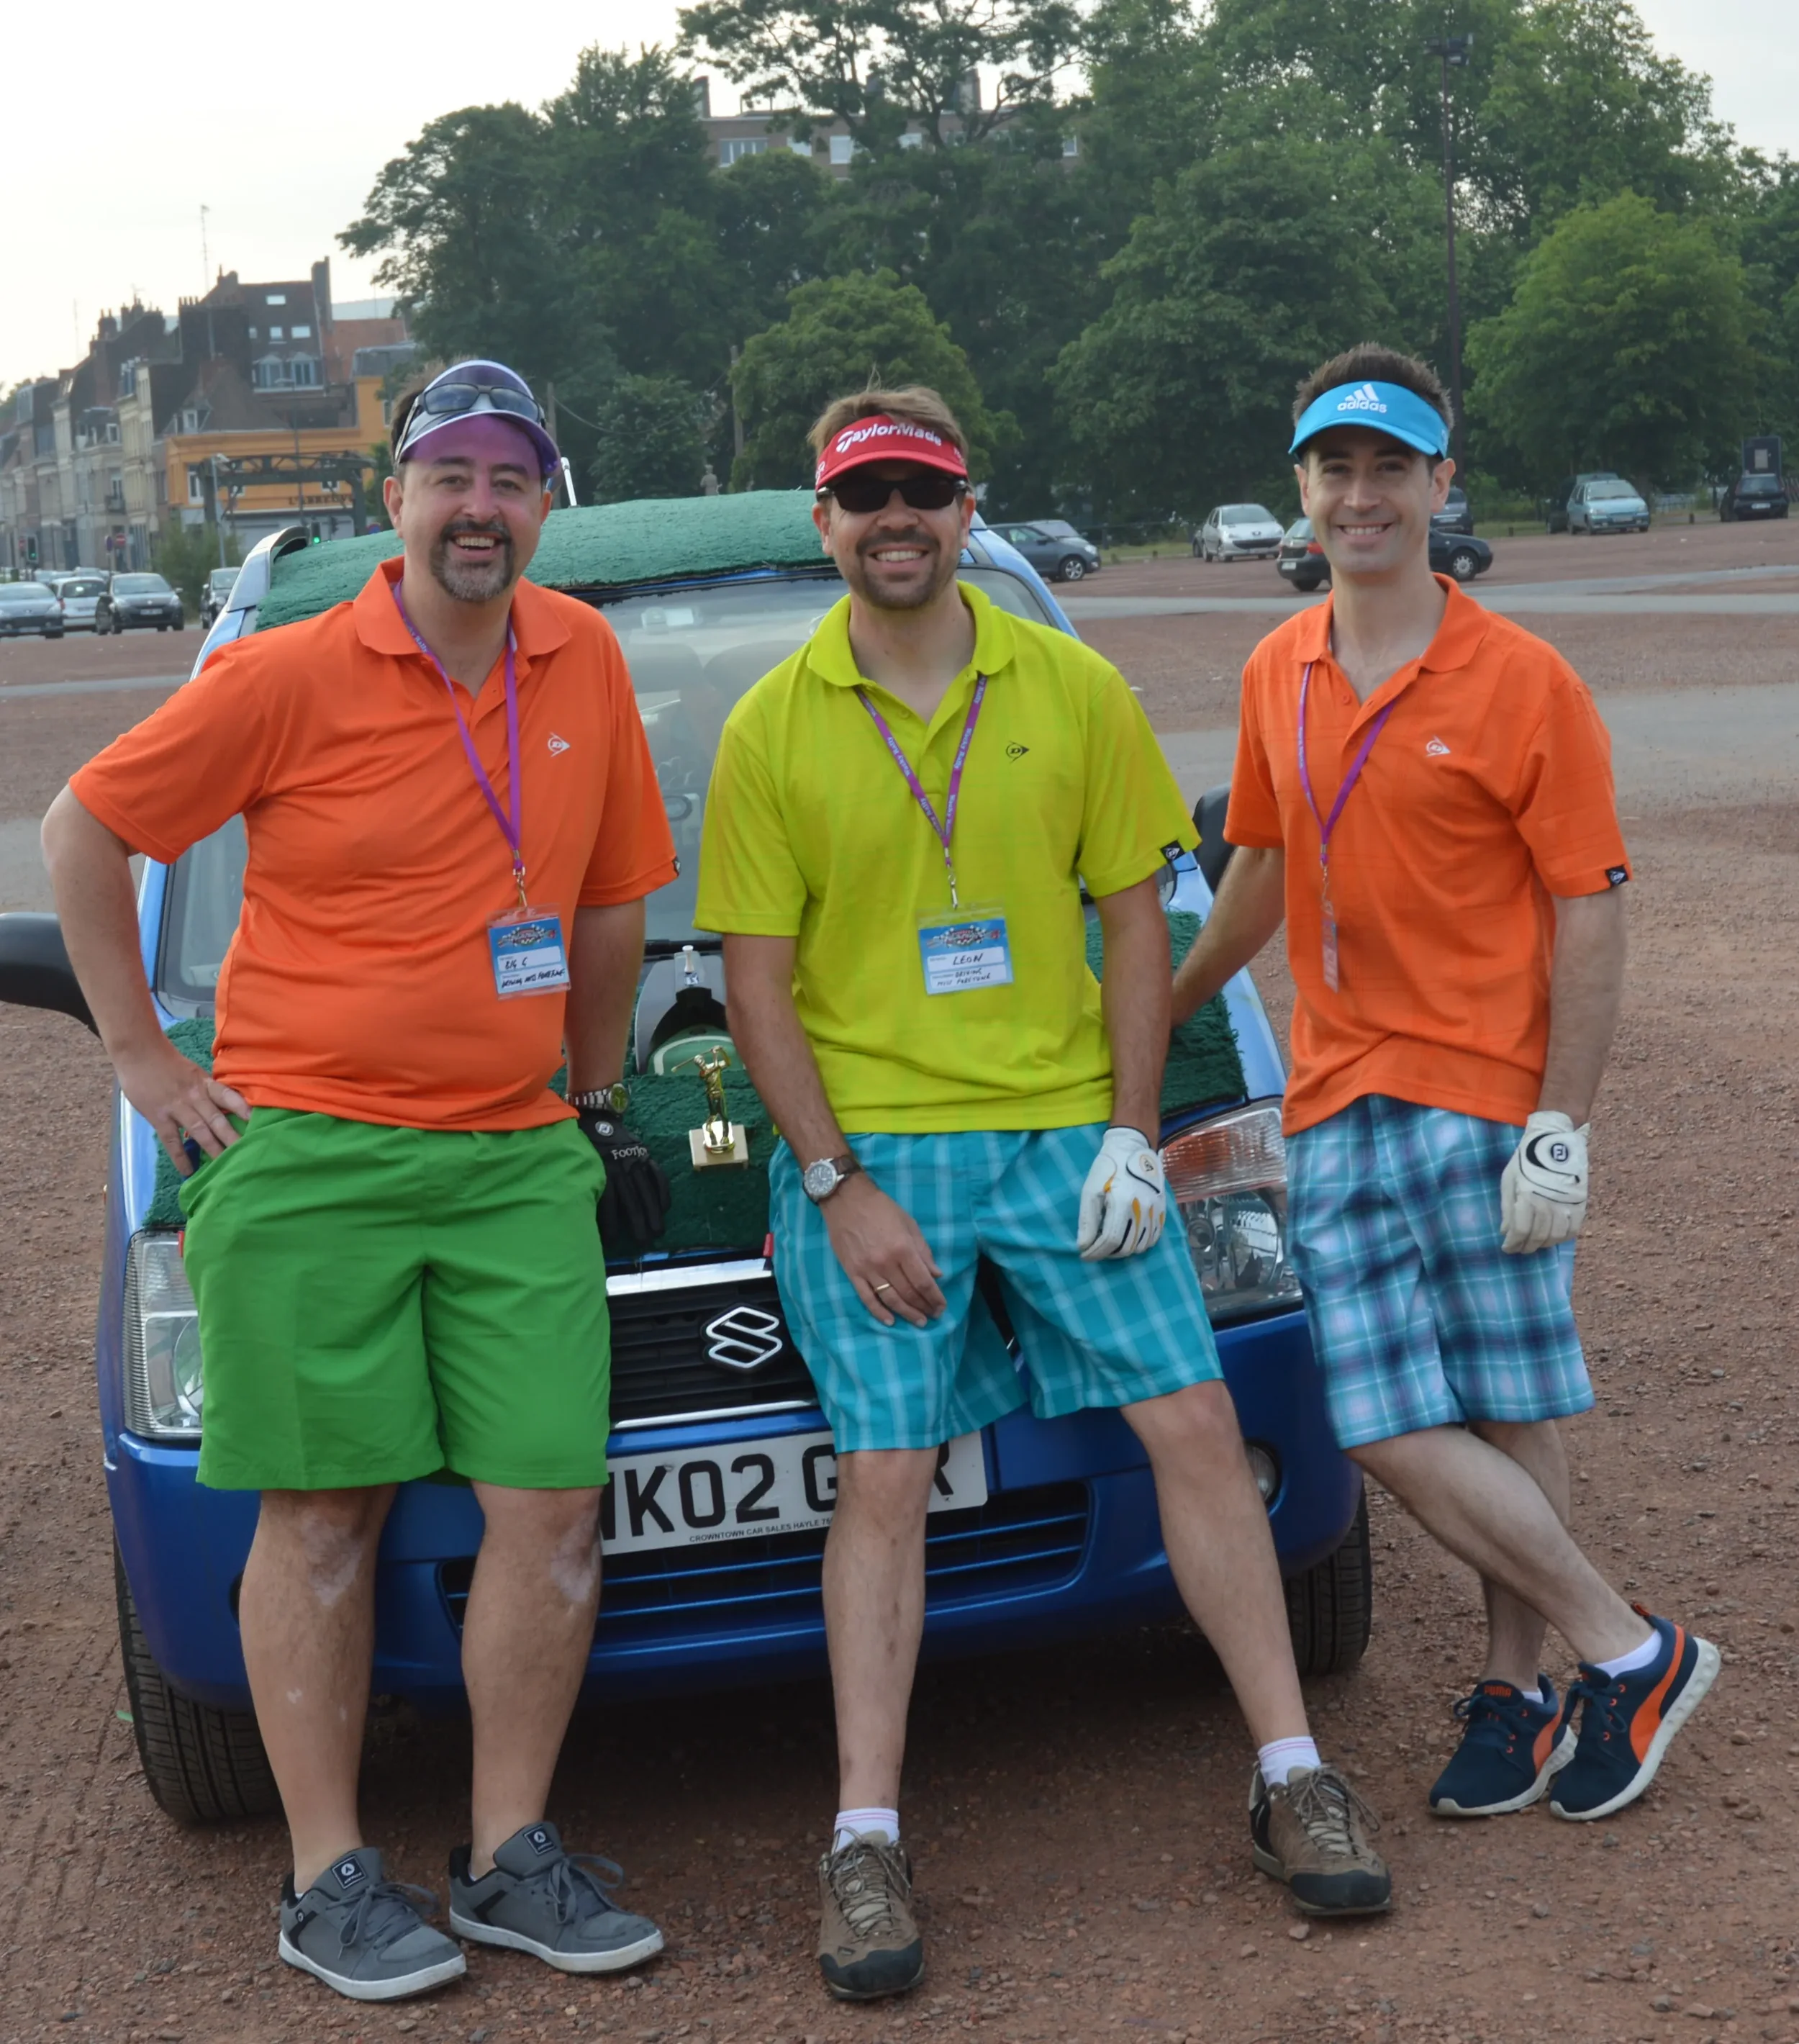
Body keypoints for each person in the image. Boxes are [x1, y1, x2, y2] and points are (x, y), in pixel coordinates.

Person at [696, 385, 1391, 2007]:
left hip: (1063, 1137)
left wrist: (1133, 1133)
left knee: (1197, 1426)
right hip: (876, 1152)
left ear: (964, 505)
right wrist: (833, 1182)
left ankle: (1289, 1772)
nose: (894, 520)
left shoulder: (1070, 687)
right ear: (823, 518)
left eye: (922, 492)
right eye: (862, 493)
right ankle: (862, 1838)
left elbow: (1138, 921)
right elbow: (755, 985)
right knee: (879, 1473)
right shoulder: (770, 726)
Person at [42, 360, 679, 2002]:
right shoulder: (287, 669)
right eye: (449, 477)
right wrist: (141, 1060)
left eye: (511, 480)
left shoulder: (585, 655)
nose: (480, 510)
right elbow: (86, 827)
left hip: (513, 1153)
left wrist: (596, 1105)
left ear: (548, 502)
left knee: (549, 1505)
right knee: (322, 1513)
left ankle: (505, 1855)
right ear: (394, 498)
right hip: (309, 1149)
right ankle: (327, 1875)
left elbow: (609, 901)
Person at [1172, 344, 1717, 1827]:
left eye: (1389, 467)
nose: (1360, 495)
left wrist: (1560, 1122)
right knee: (1380, 1417)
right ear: (1300, 486)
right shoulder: (1273, 669)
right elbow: (1260, 872)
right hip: (1340, 1088)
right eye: (1333, 467)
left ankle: (1519, 1687)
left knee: (1503, 1392)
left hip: (1482, 1089)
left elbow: (1587, 906)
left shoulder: (1519, 678)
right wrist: (1160, 1011)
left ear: (1438, 483)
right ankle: (1630, 1647)